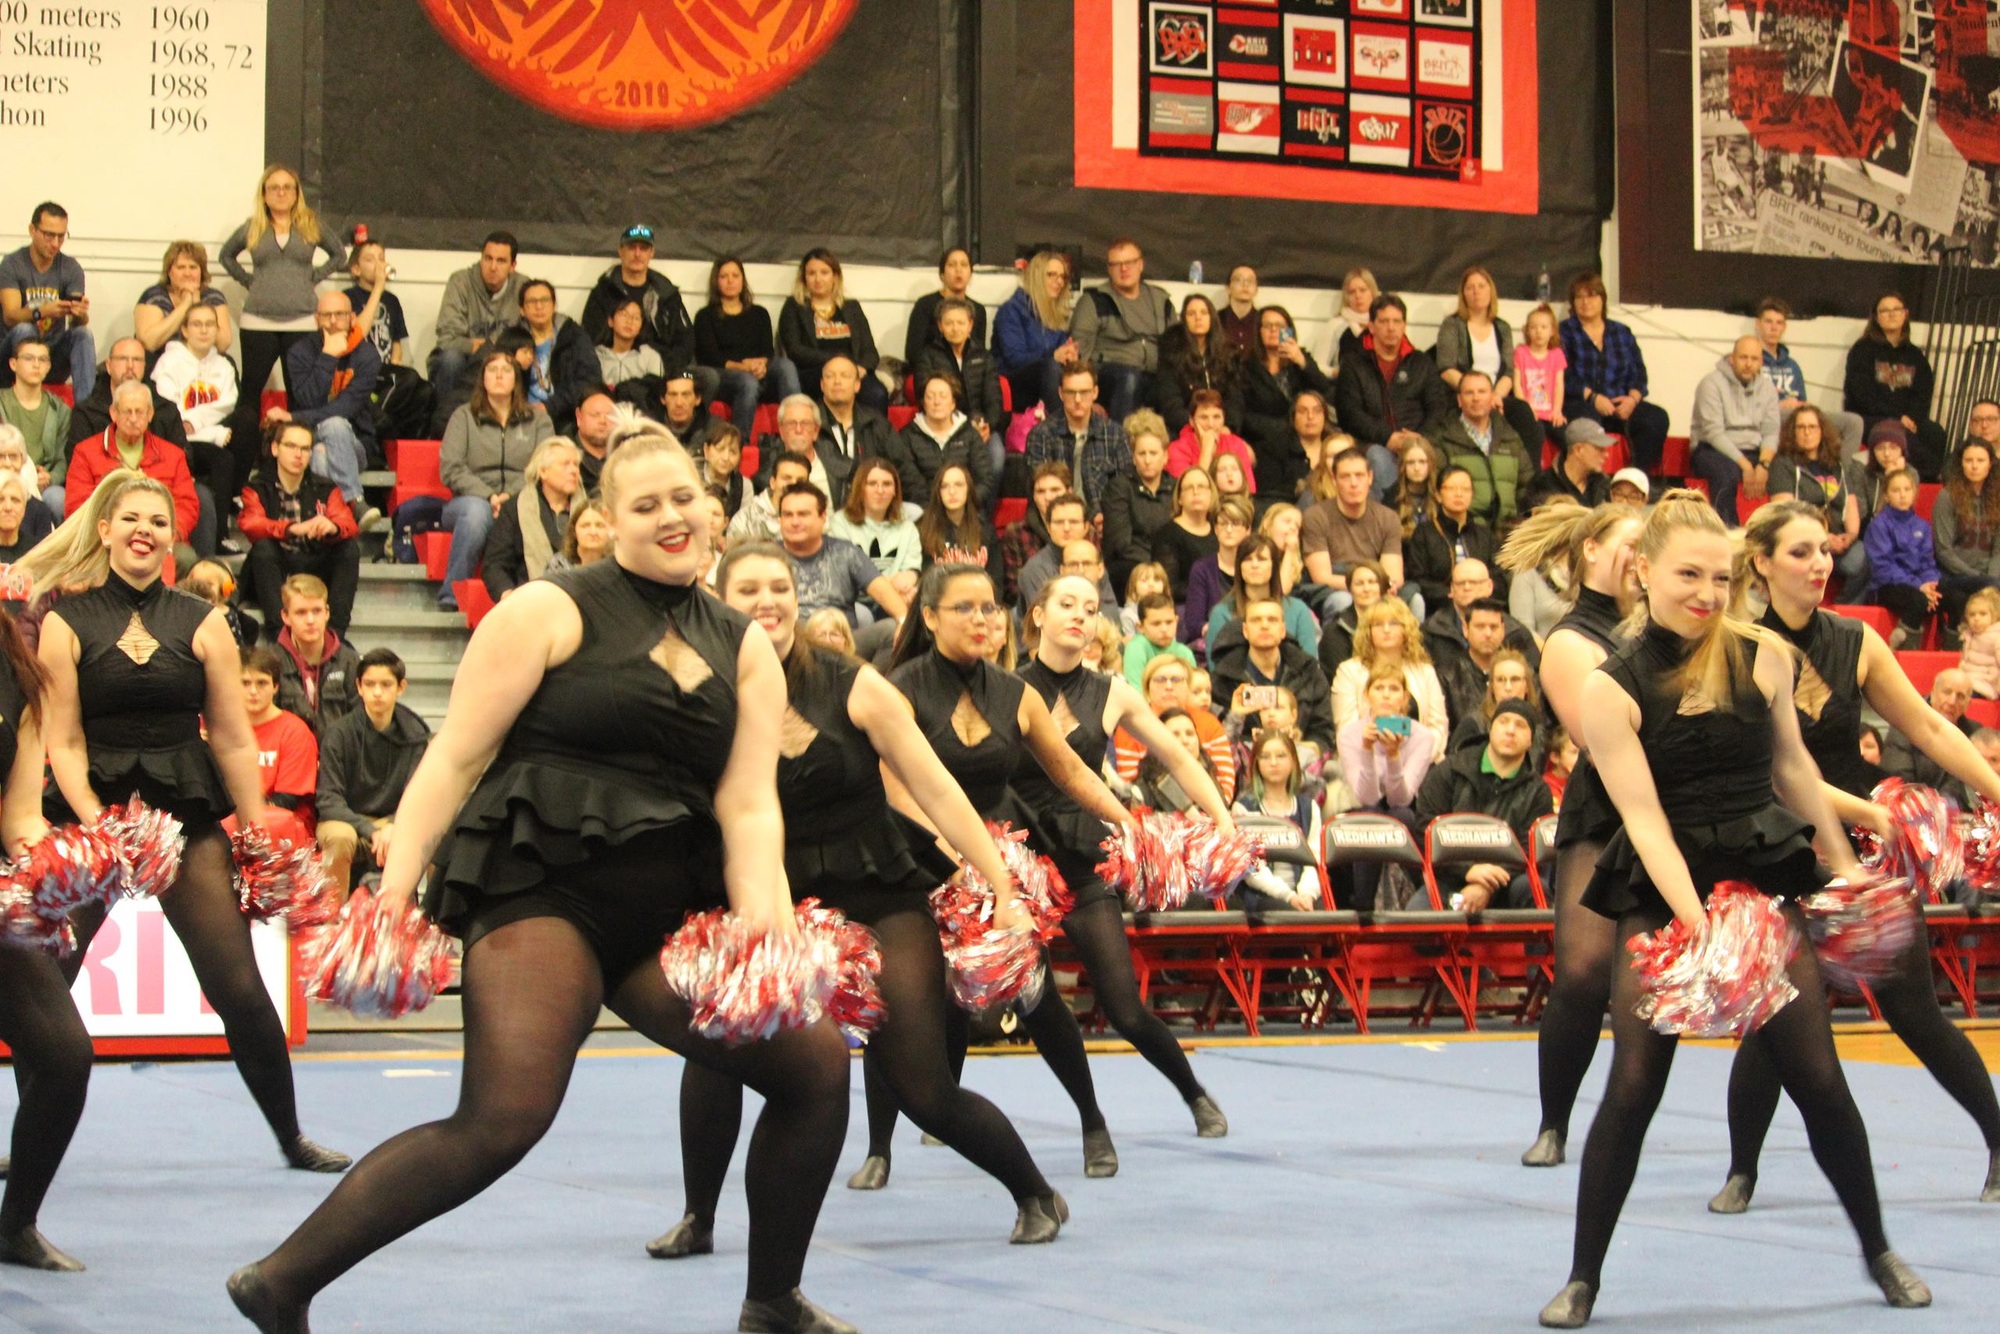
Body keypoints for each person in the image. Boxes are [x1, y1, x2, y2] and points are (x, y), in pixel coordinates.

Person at [228, 424, 858, 1334]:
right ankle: (281, 1281)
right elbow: (452, 758)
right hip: (541, 891)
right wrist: (393, 894)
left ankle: (772, 1300)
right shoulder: (548, 609)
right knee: (504, 1117)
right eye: (646, 505)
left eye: (684, 498)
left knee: (816, 1067)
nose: (672, 517)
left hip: (661, 913)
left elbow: (750, 802)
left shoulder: (744, 645)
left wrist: (766, 927)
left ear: (713, 507)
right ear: (606, 519)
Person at [1537, 490, 1929, 1328]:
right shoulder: (1611, 687)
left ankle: (1879, 1250)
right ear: (1644, 573)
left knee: (1819, 1078)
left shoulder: (1765, 656)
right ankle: (1583, 1278)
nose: (1708, 594)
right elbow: (1643, 820)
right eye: (1689, 576)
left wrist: (1844, 870)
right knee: (1633, 1084)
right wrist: (1699, 926)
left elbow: (1792, 771)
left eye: (1721, 578)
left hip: (1761, 879)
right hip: (1666, 893)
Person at [656, 542, 1063, 1251]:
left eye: (780, 587)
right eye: (748, 590)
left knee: (920, 1084)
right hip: (764, 894)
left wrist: (1000, 886)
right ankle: (700, 1219)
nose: (767, 601)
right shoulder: (705, 692)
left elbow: (937, 790)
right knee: (716, 1051)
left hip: (877, 892)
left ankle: (1034, 1192)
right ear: (720, 601)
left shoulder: (855, 684)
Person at [23, 471, 349, 1183]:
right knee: (45, 985)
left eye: (158, 521)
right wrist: (99, 826)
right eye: (131, 518)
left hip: (187, 810)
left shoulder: (203, 621)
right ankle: (28, 1149)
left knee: (239, 986)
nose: (144, 530)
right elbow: (63, 742)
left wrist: (255, 831)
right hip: (93, 816)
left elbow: (230, 737)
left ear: (173, 537)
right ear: (104, 530)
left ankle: (291, 1135)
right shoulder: (65, 623)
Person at [1709, 502, 2000, 1213]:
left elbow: (1929, 726)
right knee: (1774, 1014)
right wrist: (1863, 811)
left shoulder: (1855, 640)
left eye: (1823, 550)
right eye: (1800, 552)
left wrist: (1996, 789)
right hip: (1778, 846)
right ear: (1761, 564)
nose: (1819, 564)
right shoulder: (1735, 648)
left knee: (1916, 1013)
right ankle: (1742, 1170)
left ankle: (1999, 1141)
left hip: (1861, 854)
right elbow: (1779, 770)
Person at [0, 591, 91, 1270]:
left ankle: (15, 1225)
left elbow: (20, 816)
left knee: (64, 1056)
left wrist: (64, 862)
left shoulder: (17, 669)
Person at [220, 168, 346, 475]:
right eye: (274, 187)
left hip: (302, 321)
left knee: (300, 398)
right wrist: (252, 282)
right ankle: (244, 470)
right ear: (264, 194)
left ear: (296, 193)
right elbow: (226, 256)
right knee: (250, 397)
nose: (281, 192)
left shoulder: (311, 225)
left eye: (287, 187)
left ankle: (299, 471)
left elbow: (339, 255)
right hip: (257, 322)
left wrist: (311, 278)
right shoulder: (252, 227)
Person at [438, 347, 556, 610]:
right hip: (470, 500)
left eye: (506, 370)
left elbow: (545, 465)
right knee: (476, 513)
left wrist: (510, 497)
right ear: (483, 378)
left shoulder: (538, 420)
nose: (500, 375)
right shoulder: (464, 417)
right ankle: (451, 595)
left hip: (523, 497)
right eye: (492, 370)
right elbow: (451, 468)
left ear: (517, 379)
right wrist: (489, 496)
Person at [1415, 701, 1552, 911]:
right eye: (1503, 722)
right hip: (1451, 878)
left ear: (1531, 740)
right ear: (1490, 729)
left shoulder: (1538, 791)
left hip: (1506, 883)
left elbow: (1529, 852)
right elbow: (1425, 830)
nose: (1510, 730)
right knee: (1417, 914)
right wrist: (1468, 871)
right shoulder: (1450, 771)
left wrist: (1486, 885)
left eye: (1520, 725)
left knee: (1533, 889)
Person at [314, 648, 429, 898]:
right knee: (339, 837)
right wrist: (370, 829)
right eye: (370, 684)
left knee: (434, 834)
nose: (377, 692)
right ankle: (332, 915)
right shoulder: (338, 733)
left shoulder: (416, 734)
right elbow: (328, 800)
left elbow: (418, 797)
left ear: (401, 687)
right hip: (347, 821)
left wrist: (392, 825)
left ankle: (425, 916)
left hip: (392, 820)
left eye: (386, 684)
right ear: (358, 686)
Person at [239, 422, 360, 638]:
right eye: (291, 446)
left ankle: (335, 637)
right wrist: (291, 528)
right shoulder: (256, 486)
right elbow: (251, 524)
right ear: (275, 449)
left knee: (349, 548)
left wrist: (332, 528)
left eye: (305, 449)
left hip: (315, 564)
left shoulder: (326, 487)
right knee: (263, 549)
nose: (299, 454)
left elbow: (348, 523)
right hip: (276, 568)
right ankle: (281, 637)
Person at [268, 291, 380, 523]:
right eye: (326, 315)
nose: (332, 321)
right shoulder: (299, 352)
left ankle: (327, 518)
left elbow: (347, 408)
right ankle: (352, 505)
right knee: (319, 452)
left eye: (339, 314)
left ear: (352, 318)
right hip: (311, 439)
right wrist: (328, 356)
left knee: (333, 427)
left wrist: (294, 416)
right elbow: (308, 399)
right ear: (316, 319)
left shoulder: (368, 356)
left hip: (356, 443)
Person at [65, 382, 205, 564]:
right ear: (113, 413)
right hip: (104, 542)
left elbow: (187, 505)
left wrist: (165, 534)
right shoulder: (85, 452)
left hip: (160, 541)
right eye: (126, 412)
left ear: (150, 414)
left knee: (186, 558)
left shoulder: (174, 455)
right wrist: (112, 536)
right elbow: (76, 506)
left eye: (139, 412)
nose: (133, 419)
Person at [1334, 663, 1438, 907]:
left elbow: (1400, 798)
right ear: (1367, 695)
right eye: (1379, 688)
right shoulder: (1349, 734)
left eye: (1393, 689)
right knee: (1369, 816)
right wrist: (1367, 750)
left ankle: (1415, 901)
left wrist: (1393, 756)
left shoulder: (1422, 736)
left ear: (1405, 698)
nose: (1386, 695)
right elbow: (1367, 797)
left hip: (1403, 809)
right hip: (1362, 809)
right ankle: (1364, 906)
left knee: (1402, 816)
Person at [1336, 294, 1452, 501]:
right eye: (1384, 321)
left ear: (1404, 325)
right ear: (1371, 326)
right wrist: (1387, 437)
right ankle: (1395, 513)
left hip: (1419, 441)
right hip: (1372, 443)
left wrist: (1418, 438)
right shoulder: (1354, 363)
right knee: (1378, 458)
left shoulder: (1422, 363)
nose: (1391, 328)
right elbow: (1349, 413)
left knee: (1439, 457)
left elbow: (1438, 408)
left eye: (1397, 321)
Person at [579, 225, 712, 403]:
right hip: (612, 366)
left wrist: (667, 367)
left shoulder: (667, 293)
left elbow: (685, 340)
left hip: (664, 368)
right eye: (631, 248)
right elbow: (589, 337)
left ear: (652, 253)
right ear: (620, 251)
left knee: (709, 378)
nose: (637, 254)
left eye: (643, 248)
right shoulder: (603, 291)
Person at [1558, 274, 1668, 475]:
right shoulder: (1564, 331)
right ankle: (1590, 480)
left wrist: (1632, 400)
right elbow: (1563, 375)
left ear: (1602, 299)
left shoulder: (1622, 332)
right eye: (1579, 297)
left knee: (1656, 418)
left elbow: (1639, 373)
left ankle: (1633, 477)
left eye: (1591, 296)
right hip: (1582, 402)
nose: (1585, 302)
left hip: (1620, 403)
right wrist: (1593, 397)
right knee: (1588, 421)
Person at [777, 481, 908, 645]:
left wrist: (903, 620)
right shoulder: (767, 557)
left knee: (891, 629)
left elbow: (883, 590)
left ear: (823, 517)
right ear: (779, 519)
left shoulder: (846, 552)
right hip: (791, 646)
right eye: (788, 515)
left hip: (845, 647)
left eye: (803, 514)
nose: (795, 522)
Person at [1211, 598, 1335, 755]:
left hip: (1302, 760)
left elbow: (1324, 732)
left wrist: (1301, 748)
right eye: (1256, 620)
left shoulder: (1309, 672)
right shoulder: (1223, 679)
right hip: (1245, 760)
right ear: (1245, 631)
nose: (1264, 625)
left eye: (1272, 620)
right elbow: (1218, 736)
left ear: (1283, 630)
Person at [1844, 291, 1947, 480]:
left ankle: (1927, 484)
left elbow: (1923, 394)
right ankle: (1913, 478)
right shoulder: (1862, 350)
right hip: (1871, 417)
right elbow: (1861, 395)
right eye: (1885, 311)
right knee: (1907, 440)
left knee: (1935, 433)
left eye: (1896, 309)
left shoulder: (1915, 355)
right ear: (1876, 317)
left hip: (1908, 419)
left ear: (1905, 314)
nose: (1891, 314)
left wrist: (1912, 418)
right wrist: (1898, 418)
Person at [1435, 265, 1542, 446]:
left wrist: (1493, 395)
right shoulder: (1452, 325)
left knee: (1524, 414)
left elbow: (1508, 372)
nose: (1476, 291)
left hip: (1497, 395)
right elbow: (1446, 368)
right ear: (1463, 294)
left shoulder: (1503, 327)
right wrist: (1477, 392)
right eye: (1470, 287)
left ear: (1490, 291)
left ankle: (1529, 465)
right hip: (1465, 396)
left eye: (1481, 286)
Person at [694, 257, 800, 438]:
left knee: (786, 366)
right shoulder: (705, 316)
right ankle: (739, 442)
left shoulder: (759, 313)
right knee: (747, 382)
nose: (730, 281)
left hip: (757, 370)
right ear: (716, 281)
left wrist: (760, 364)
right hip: (725, 375)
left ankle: (796, 429)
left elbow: (767, 351)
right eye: (724, 276)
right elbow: (709, 357)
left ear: (743, 280)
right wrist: (743, 367)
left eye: (735, 276)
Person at [1769, 404, 1867, 598]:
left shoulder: (1837, 465)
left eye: (1812, 427)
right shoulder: (1782, 464)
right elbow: (1785, 512)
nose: (1807, 432)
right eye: (1801, 427)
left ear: (1822, 431)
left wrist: (1850, 536)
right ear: (1793, 432)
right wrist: (1822, 538)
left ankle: (1844, 609)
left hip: (1838, 540)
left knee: (1864, 560)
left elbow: (1850, 505)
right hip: (1801, 539)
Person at [1070, 238, 1174, 421]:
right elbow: (1079, 356)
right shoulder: (1094, 301)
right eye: (1116, 264)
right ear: (1109, 269)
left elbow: (1177, 347)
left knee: (1173, 386)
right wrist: (1088, 397)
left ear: (1140, 264)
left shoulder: (1161, 301)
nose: (1124, 269)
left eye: (1129, 262)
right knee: (1129, 377)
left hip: (1155, 377)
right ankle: (1118, 438)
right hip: (1111, 377)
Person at [1330, 599, 1450, 754]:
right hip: (1365, 760)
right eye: (1378, 624)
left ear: (1406, 629)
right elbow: (1346, 730)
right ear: (1368, 631)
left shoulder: (1425, 671)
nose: (1386, 630)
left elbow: (1438, 726)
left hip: (1422, 759)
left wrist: (1416, 758)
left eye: (1394, 623)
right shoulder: (1348, 672)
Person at [0, 203, 93, 402]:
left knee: (83, 334)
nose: (55, 243)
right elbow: (10, 316)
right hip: (13, 359)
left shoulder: (70, 268)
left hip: (51, 356)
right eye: (49, 235)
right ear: (32, 230)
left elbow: (78, 323)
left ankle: (86, 412)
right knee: (24, 330)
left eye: (61, 236)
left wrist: (80, 313)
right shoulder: (12, 264)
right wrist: (42, 311)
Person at [150, 304, 240, 509]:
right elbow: (169, 412)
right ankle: (220, 527)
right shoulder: (168, 362)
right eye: (197, 324)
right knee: (222, 459)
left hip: (215, 433)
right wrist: (212, 434)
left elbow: (227, 405)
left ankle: (237, 495)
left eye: (210, 324)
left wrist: (197, 421)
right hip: (183, 441)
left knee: (247, 418)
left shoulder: (225, 366)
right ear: (184, 330)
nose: (204, 330)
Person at [1113, 654, 1239, 799]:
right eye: (1160, 680)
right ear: (1147, 688)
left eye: (1176, 680)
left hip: (1208, 807)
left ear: (1188, 687)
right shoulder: (1131, 725)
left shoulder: (1209, 723)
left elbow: (1225, 780)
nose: (1169, 686)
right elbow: (1131, 785)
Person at [1302, 448, 1410, 615]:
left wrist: (1375, 587)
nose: (1353, 483)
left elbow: (1394, 574)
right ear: (1334, 480)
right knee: (1343, 601)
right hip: (1336, 588)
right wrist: (1364, 587)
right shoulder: (1315, 516)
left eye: (1359, 475)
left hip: (1376, 584)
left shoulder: (1388, 517)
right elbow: (1321, 576)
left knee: (1415, 599)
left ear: (1370, 478)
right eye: (1345, 477)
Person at [778, 248, 886, 413]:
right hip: (815, 372)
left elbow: (870, 352)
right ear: (804, 278)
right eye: (811, 273)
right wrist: (837, 363)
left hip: (852, 372)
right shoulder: (794, 307)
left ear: (835, 276)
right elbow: (795, 350)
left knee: (877, 393)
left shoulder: (851, 307)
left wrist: (861, 368)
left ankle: (873, 431)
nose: (818, 279)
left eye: (824, 272)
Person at [1754, 297, 1863, 458]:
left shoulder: (1792, 365)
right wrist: (1778, 406)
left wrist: (1803, 405)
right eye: (1768, 322)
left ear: (1784, 327)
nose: (1774, 328)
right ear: (1758, 324)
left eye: (1779, 323)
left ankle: (1841, 469)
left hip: (1797, 415)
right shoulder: (1751, 361)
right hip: (1769, 417)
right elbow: (1745, 406)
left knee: (1854, 422)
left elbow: (1802, 401)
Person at [1689, 335, 1780, 525]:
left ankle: (1777, 529)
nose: (1748, 364)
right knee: (1726, 474)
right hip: (1712, 449)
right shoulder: (1711, 384)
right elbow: (1713, 433)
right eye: (1743, 357)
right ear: (1732, 358)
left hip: (1754, 451)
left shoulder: (1767, 387)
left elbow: (1771, 431)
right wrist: (1746, 466)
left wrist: (1763, 465)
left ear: (1761, 362)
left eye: (1754, 359)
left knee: (1784, 469)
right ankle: (1728, 531)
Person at [427, 232, 525, 408]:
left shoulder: (523, 287)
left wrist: (487, 347)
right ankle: (445, 419)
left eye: (501, 261)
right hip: (464, 359)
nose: (492, 267)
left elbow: (524, 339)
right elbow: (447, 340)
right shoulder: (460, 282)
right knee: (450, 359)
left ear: (512, 266)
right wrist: (487, 346)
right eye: (488, 258)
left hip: (504, 359)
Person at [482, 437, 585, 601]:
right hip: (530, 600)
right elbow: (495, 565)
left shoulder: (590, 510)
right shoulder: (515, 508)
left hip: (582, 597)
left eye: (576, 465)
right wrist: (508, 595)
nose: (574, 471)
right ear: (543, 472)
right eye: (565, 464)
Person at [1428, 372, 1531, 531]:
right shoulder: (1442, 438)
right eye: (1469, 393)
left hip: (1509, 533)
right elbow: (1435, 491)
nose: (1476, 398)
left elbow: (1527, 486)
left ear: (1492, 397)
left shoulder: (1510, 437)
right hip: (1464, 531)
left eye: (1482, 392)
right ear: (1459, 400)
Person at [1234, 731, 1324, 912]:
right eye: (1265, 757)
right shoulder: (1243, 809)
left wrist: (1307, 894)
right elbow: (1252, 871)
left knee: (1322, 915)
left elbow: (1314, 862)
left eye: (1281, 756)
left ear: (1293, 762)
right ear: (1256, 764)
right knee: (1290, 912)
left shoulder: (1309, 808)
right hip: (1261, 896)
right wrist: (1289, 896)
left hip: (1303, 894)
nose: (1273, 763)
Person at [239, 645, 318, 847]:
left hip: (283, 827)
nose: (253, 691)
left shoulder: (295, 731)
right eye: (245, 683)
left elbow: (287, 801)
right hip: (234, 820)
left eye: (262, 683)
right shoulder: (218, 729)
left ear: (275, 687)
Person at [1239, 306, 1333, 469]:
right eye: (1268, 325)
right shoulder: (1246, 366)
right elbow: (1243, 412)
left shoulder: (1301, 359)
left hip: (1304, 436)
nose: (1273, 330)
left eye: (1280, 326)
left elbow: (1326, 391)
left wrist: (1302, 362)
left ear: (1289, 331)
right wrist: (1284, 427)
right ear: (1259, 331)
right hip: (1264, 438)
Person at [886, 369, 991, 510]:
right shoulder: (907, 437)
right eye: (930, 397)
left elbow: (984, 480)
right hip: (925, 511)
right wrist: (939, 508)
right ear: (923, 402)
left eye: (943, 396)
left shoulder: (970, 435)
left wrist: (961, 504)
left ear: (953, 403)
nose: (936, 402)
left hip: (965, 510)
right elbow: (910, 484)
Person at [994, 249, 1080, 418]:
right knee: (1050, 367)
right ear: (1036, 277)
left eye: (1062, 277)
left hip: (1049, 379)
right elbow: (1014, 359)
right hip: (1015, 383)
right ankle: (1061, 426)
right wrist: (1054, 356)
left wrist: (1069, 355)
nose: (1059, 282)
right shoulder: (1011, 311)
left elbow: (1061, 351)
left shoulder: (1058, 315)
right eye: (1052, 275)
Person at [1205, 534, 1320, 659]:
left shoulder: (1298, 610)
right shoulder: (1222, 613)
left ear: (1274, 566)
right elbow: (1216, 662)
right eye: (1247, 559)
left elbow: (1309, 661)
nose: (1254, 565)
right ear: (1239, 566)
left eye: (1262, 559)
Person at [828, 457, 922, 607]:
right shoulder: (841, 522)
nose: (880, 490)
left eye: (887, 484)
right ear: (860, 488)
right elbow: (846, 575)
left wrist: (907, 580)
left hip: (897, 599)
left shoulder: (907, 527)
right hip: (854, 602)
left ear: (895, 491)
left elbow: (912, 571)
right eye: (872, 484)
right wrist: (886, 587)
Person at [1863, 466, 1941, 647]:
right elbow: (1882, 568)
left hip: (1919, 585)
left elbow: (1928, 563)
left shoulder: (1922, 526)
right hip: (1887, 586)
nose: (1902, 495)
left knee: (1950, 597)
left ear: (1914, 493)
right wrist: (1918, 586)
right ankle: (1904, 650)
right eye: (1896, 490)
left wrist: (1931, 585)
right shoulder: (1879, 525)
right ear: (1886, 496)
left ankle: (1951, 652)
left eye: (1907, 489)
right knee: (1918, 599)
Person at [1100, 411, 1176, 592]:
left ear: (1165, 456)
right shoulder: (1118, 488)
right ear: (1133, 458)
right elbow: (1119, 543)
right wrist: (1152, 570)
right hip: (1131, 569)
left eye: (1153, 453)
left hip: (1169, 568)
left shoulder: (1176, 488)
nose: (1148, 460)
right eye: (1142, 453)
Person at [914, 295, 1006, 445]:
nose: (955, 328)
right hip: (943, 425)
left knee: (996, 455)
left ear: (970, 325)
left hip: (979, 424)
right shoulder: (928, 356)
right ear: (940, 326)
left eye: (961, 323)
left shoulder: (984, 357)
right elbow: (924, 396)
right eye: (949, 323)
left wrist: (988, 425)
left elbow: (994, 400)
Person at [510, 280, 599, 433]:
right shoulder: (512, 339)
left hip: (565, 416)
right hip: (521, 416)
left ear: (554, 306)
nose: (539, 306)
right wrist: (515, 365)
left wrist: (549, 406)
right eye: (532, 301)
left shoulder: (574, 336)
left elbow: (590, 380)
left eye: (545, 300)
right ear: (522, 310)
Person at [1931, 437, 2000, 625]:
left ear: (1990, 464)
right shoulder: (1947, 497)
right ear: (1960, 463)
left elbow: (1998, 551)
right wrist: (1980, 578)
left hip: (1989, 576)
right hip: (1954, 576)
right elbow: (1943, 551)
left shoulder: (1997, 498)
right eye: (1969, 460)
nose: (1974, 466)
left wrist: (1991, 578)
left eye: (1980, 460)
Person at [1156, 293, 1242, 438]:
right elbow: (1170, 402)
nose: (1198, 318)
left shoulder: (1227, 354)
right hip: (1185, 430)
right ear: (1183, 319)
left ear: (1212, 317)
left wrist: (1228, 427)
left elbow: (1235, 399)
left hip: (1223, 430)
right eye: (1191, 314)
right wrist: (1197, 427)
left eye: (1204, 313)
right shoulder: (1171, 354)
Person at [0, 338, 70, 514]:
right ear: (13, 364)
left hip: (43, 485)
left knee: (58, 499)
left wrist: (50, 477)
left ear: (48, 366)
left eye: (43, 359)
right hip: (4, 475)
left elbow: (61, 458)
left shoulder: (60, 409)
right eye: (29, 358)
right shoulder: (1, 403)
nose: (36, 365)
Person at [134, 239, 234, 360]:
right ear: (169, 272)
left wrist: (196, 304)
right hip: (161, 359)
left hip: (203, 360)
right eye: (180, 267)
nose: (187, 273)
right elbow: (149, 343)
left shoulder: (213, 297)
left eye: (193, 267)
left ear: (201, 272)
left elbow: (223, 345)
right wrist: (186, 304)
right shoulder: (154, 296)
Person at [903, 247, 987, 369]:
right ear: (942, 274)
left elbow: (979, 352)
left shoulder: (978, 309)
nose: (958, 270)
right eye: (952, 265)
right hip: (931, 370)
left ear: (970, 274)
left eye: (964, 265)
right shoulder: (925, 304)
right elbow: (913, 352)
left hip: (967, 371)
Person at [1168, 389, 1257, 497]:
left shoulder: (1235, 444)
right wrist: (1206, 451)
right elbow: (1189, 493)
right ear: (1191, 421)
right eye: (1204, 417)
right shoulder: (1177, 449)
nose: (1211, 424)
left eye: (1216, 417)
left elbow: (1249, 490)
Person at [342, 234, 406, 368]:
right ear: (356, 269)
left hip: (385, 369)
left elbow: (396, 342)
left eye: (381, 258)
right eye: (370, 260)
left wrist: (395, 364)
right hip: (358, 369)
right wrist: (378, 286)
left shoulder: (392, 300)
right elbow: (357, 334)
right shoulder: (347, 298)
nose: (379, 264)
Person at [1523, 419, 1613, 514]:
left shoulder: (1603, 484)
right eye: (1599, 449)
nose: (1606, 455)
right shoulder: (1542, 485)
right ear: (1578, 449)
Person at [1513, 303, 1569, 448]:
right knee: (1535, 437)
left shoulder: (1556, 354)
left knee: (1567, 438)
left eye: (1544, 327)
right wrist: (1526, 409)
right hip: (1529, 413)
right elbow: (1517, 384)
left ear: (1552, 331)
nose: (1539, 331)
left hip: (1550, 413)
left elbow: (1559, 385)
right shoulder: (1521, 352)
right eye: (1533, 327)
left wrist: (1557, 410)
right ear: (1527, 330)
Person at [726, 451, 810, 548]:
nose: (793, 484)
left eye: (800, 481)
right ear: (773, 482)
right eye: (787, 478)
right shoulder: (745, 519)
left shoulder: (814, 519)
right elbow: (732, 556)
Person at [595, 297, 666, 397]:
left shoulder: (650, 356)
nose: (630, 321)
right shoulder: (596, 355)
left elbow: (656, 393)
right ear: (611, 321)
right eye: (624, 315)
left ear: (641, 326)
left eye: (636, 318)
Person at [1123, 590, 1195, 685]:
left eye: (1169, 622)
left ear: (1177, 621)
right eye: (1156, 624)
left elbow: (1194, 688)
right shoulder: (1136, 648)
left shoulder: (1185, 653)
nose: (1164, 629)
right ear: (1140, 627)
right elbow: (1135, 690)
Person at [1320, 267, 1378, 367]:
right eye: (1352, 292)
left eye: (1362, 290)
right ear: (1346, 297)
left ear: (1372, 293)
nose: (1358, 296)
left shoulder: (1382, 324)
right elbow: (1318, 366)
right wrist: (1337, 373)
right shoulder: (1335, 325)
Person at [654, 369, 719, 457]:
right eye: (673, 395)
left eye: (686, 395)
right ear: (663, 399)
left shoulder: (715, 430)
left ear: (697, 399)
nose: (679, 403)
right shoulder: (649, 429)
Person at [572, 391, 618, 498]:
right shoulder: (564, 455)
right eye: (595, 415)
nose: (603, 421)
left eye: (610, 416)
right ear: (579, 417)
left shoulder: (626, 454)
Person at [1960, 587, 2000, 698]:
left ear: (1993, 616)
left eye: (1982, 614)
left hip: (1985, 685)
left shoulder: (1996, 637)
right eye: (1972, 614)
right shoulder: (1969, 635)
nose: (1976, 618)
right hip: (1968, 679)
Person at [1219, 264, 1261, 356]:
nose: (1245, 285)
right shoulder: (1215, 319)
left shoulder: (1263, 320)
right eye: (1238, 280)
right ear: (1228, 288)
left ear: (1256, 290)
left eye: (1250, 281)